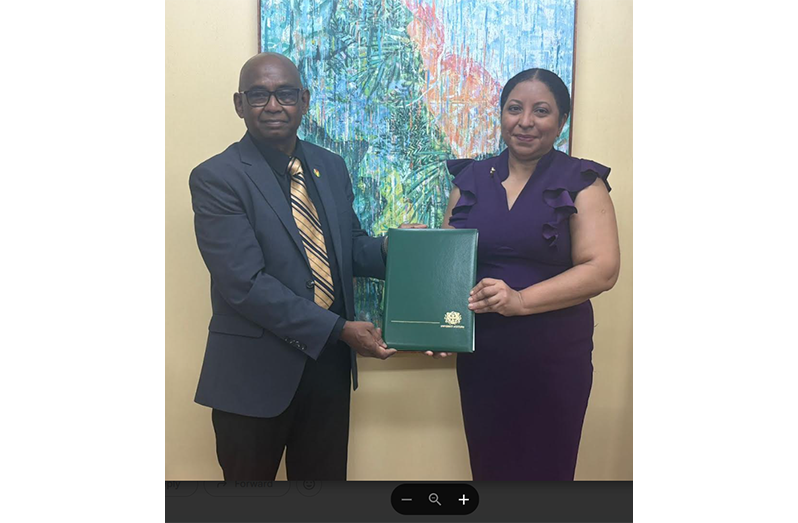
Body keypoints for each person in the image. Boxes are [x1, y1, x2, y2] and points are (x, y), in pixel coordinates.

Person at [189, 52, 399, 481]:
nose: (273, 105)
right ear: (239, 104)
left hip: (327, 371)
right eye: (258, 95)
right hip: (252, 378)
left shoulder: (330, 166)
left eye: (285, 94)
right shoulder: (217, 177)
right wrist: (339, 328)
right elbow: (246, 285)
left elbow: (348, 247)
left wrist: (395, 249)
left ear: (304, 100)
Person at [437, 68, 620, 480]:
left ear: (561, 120)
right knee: (489, 469)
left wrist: (520, 300)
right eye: (514, 108)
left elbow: (602, 270)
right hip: (484, 355)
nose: (525, 121)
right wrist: (439, 326)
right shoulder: (469, 179)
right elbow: (448, 263)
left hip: (554, 357)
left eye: (541, 111)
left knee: (546, 475)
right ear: (501, 114)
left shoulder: (582, 182)